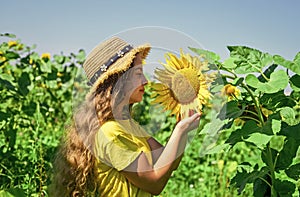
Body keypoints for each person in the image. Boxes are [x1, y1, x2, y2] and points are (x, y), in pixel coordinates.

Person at [50, 37, 201, 196]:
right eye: (138, 74)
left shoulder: (125, 124)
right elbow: (154, 183)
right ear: (118, 80)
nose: (145, 81)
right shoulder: (110, 133)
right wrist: (180, 130)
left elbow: (165, 160)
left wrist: (183, 128)